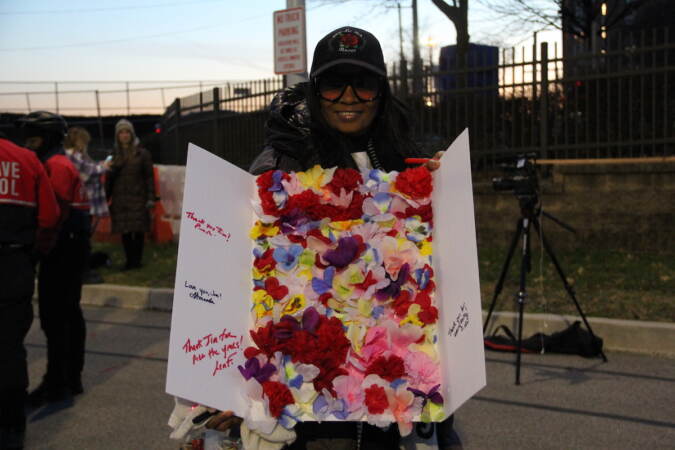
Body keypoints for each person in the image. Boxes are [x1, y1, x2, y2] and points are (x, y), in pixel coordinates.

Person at [171, 27, 460, 450]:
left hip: (389, 392)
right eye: (332, 83)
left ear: (380, 91)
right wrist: (226, 380)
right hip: (311, 406)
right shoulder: (278, 167)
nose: (348, 96)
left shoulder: (401, 159)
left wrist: (439, 195)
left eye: (362, 83)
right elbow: (239, 274)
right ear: (313, 89)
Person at [15, 111, 91, 408]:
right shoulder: (61, 162)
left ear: (46, 139)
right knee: (70, 314)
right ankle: (71, 379)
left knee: (56, 318)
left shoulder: (55, 166)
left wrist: (36, 252)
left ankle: (57, 384)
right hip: (74, 245)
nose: (29, 145)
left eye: (33, 139)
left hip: (63, 249)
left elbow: (52, 218)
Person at [0, 135, 60, 450]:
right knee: (10, 349)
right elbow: (49, 217)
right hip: (14, 263)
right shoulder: (26, 158)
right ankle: (11, 428)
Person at [106, 119, 155, 270]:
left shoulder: (142, 153)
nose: (124, 135)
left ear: (132, 134)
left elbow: (149, 177)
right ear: (117, 136)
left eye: (127, 132)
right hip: (120, 199)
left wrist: (150, 197)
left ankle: (137, 262)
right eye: (121, 132)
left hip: (138, 197)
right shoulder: (113, 155)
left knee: (138, 231)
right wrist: (105, 197)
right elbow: (108, 179)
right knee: (125, 231)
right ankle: (129, 261)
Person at [64, 126, 111, 283]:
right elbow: (87, 171)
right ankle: (82, 269)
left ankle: (82, 267)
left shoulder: (77, 155)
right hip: (84, 202)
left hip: (85, 202)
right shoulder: (72, 155)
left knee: (83, 238)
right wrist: (103, 167)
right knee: (82, 239)